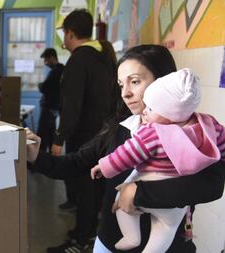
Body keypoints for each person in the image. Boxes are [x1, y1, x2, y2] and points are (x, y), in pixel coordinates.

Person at [26, 44, 225, 253]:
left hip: (169, 247)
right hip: (110, 244)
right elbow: (75, 163)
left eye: (135, 81)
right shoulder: (120, 129)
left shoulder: (198, 134)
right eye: (121, 85)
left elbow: (211, 186)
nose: (126, 94)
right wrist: (37, 157)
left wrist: (138, 192)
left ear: (165, 81)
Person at [91, 68, 225, 252]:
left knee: (120, 201)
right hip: (175, 204)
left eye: (152, 108)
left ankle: (131, 236)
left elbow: (128, 153)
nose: (145, 111)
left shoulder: (154, 132)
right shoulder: (209, 126)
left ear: (171, 113)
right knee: (166, 229)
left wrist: (105, 166)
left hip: (146, 183)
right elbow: (222, 145)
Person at [49, 9, 118, 251]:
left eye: (64, 34)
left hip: (84, 139)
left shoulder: (79, 60)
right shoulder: (105, 58)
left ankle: (80, 241)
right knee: (95, 189)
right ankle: (88, 233)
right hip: (104, 137)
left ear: (69, 33)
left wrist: (59, 139)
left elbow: (72, 106)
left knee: (84, 189)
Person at [37, 48, 64, 152]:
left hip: (49, 107)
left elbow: (44, 88)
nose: (45, 63)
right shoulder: (62, 70)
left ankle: (40, 161)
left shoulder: (55, 72)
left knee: (43, 134)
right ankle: (50, 158)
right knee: (50, 133)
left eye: (46, 60)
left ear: (52, 58)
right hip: (55, 107)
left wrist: (40, 85)